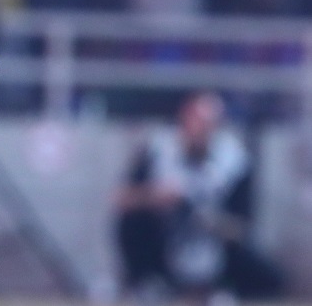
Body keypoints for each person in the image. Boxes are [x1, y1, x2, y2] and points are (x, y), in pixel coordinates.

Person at [114, 92, 285, 303]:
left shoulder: (235, 161)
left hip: (214, 246)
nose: (202, 129)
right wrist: (155, 196)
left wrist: (209, 221)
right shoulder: (157, 151)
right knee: (131, 222)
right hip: (167, 239)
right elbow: (120, 198)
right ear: (184, 118)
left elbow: (243, 226)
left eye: (210, 123)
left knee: (269, 277)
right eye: (198, 121)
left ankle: (223, 289)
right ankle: (148, 282)